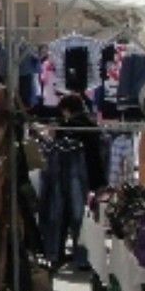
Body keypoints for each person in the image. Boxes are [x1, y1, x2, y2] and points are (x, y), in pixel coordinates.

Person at [40, 93, 105, 272]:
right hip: (92, 176)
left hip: (70, 177)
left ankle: (56, 253)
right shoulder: (91, 126)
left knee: (62, 214)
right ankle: (81, 256)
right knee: (82, 216)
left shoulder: (67, 128)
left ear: (66, 110)